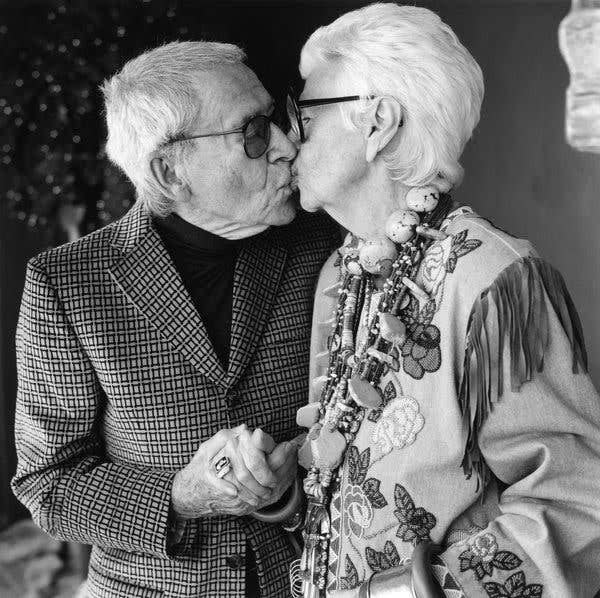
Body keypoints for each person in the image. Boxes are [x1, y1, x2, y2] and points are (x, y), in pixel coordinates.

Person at [288, 4, 600, 597]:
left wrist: (412, 593)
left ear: (377, 122)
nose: (288, 139)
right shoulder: (346, 272)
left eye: (306, 113)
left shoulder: (493, 278)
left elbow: (580, 502)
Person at [12, 41, 338, 598]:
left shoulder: (324, 242)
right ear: (170, 171)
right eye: (253, 132)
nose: (286, 146)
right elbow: (48, 485)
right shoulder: (65, 282)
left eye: (276, 120)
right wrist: (182, 494)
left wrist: (287, 492)